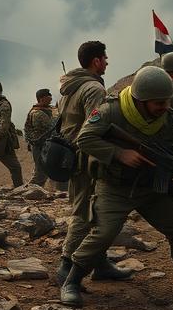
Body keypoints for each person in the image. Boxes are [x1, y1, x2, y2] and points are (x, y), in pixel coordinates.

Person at [60, 65, 173, 305]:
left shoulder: (168, 118)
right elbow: (85, 138)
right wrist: (118, 153)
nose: (164, 107)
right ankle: (72, 281)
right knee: (103, 233)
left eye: (166, 101)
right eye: (158, 103)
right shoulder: (110, 111)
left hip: (152, 188)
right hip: (114, 187)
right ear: (140, 100)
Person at [56, 41, 131, 287]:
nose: (107, 62)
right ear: (96, 61)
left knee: (93, 210)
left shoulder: (69, 87)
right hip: (86, 158)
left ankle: (100, 264)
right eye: (105, 58)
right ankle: (66, 265)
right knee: (85, 213)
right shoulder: (92, 89)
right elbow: (96, 128)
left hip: (73, 156)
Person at [24, 88, 59, 188]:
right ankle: (29, 191)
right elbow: (51, 125)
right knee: (40, 173)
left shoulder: (48, 109)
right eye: (48, 96)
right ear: (42, 98)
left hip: (47, 144)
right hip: (39, 145)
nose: (51, 97)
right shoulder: (37, 113)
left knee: (44, 171)